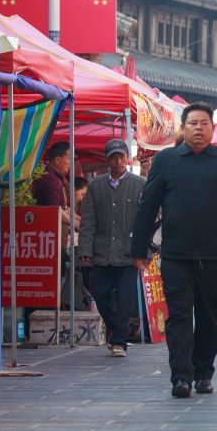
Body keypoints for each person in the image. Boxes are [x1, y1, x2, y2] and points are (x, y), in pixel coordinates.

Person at [132, 102, 217, 399]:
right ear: (183, 128)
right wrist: (138, 248)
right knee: (177, 316)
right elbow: (147, 206)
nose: (199, 128)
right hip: (175, 255)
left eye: (204, 123)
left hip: (214, 255)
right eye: (193, 123)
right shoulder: (165, 161)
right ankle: (181, 377)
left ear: (213, 128)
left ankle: (204, 373)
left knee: (209, 316)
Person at [77, 139, 145, 357]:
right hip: (102, 252)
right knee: (100, 293)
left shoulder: (140, 184)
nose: (118, 162)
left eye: (121, 156)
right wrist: (85, 250)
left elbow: (147, 221)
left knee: (125, 298)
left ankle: (119, 341)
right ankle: (118, 329)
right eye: (113, 157)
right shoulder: (96, 185)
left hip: (129, 253)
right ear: (106, 160)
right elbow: (88, 220)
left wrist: (146, 252)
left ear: (128, 157)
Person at [33, 141, 80, 234]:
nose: (71, 163)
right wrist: (76, 224)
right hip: (50, 237)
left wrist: (80, 221)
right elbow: (54, 210)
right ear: (58, 159)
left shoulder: (52, 177)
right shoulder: (52, 180)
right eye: (69, 159)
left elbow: (63, 210)